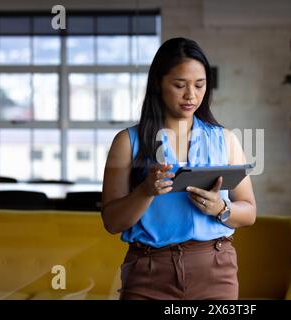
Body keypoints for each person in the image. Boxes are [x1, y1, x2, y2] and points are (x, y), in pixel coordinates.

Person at [101, 37, 256, 300]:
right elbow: (112, 222)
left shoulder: (226, 140)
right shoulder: (127, 142)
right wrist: (145, 191)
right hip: (148, 271)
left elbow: (249, 212)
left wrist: (221, 209)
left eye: (199, 85)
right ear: (158, 84)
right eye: (179, 85)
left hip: (215, 270)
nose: (191, 95)